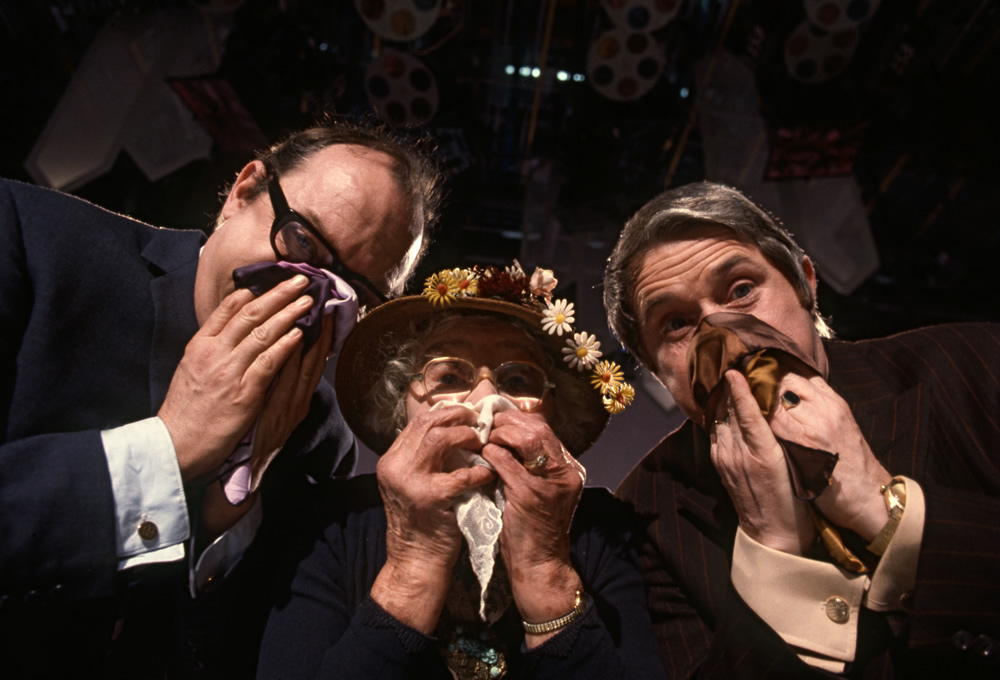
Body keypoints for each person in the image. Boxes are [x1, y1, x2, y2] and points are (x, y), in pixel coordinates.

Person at [0, 117, 441, 678]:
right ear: (242, 192)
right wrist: (171, 449)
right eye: (301, 240)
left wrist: (226, 516)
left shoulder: (318, 438)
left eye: (353, 291)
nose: (304, 292)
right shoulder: (27, 239)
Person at [603, 181, 1000, 677]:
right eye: (677, 324)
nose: (723, 336)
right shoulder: (646, 515)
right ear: (656, 369)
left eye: (742, 290)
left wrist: (884, 510)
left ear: (806, 284)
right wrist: (772, 553)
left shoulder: (974, 366)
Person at [257, 263, 665, 679]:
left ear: (555, 415)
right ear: (402, 406)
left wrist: (545, 567)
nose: (486, 400)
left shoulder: (600, 529)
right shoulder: (333, 523)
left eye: (520, 380)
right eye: (450, 375)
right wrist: (413, 563)